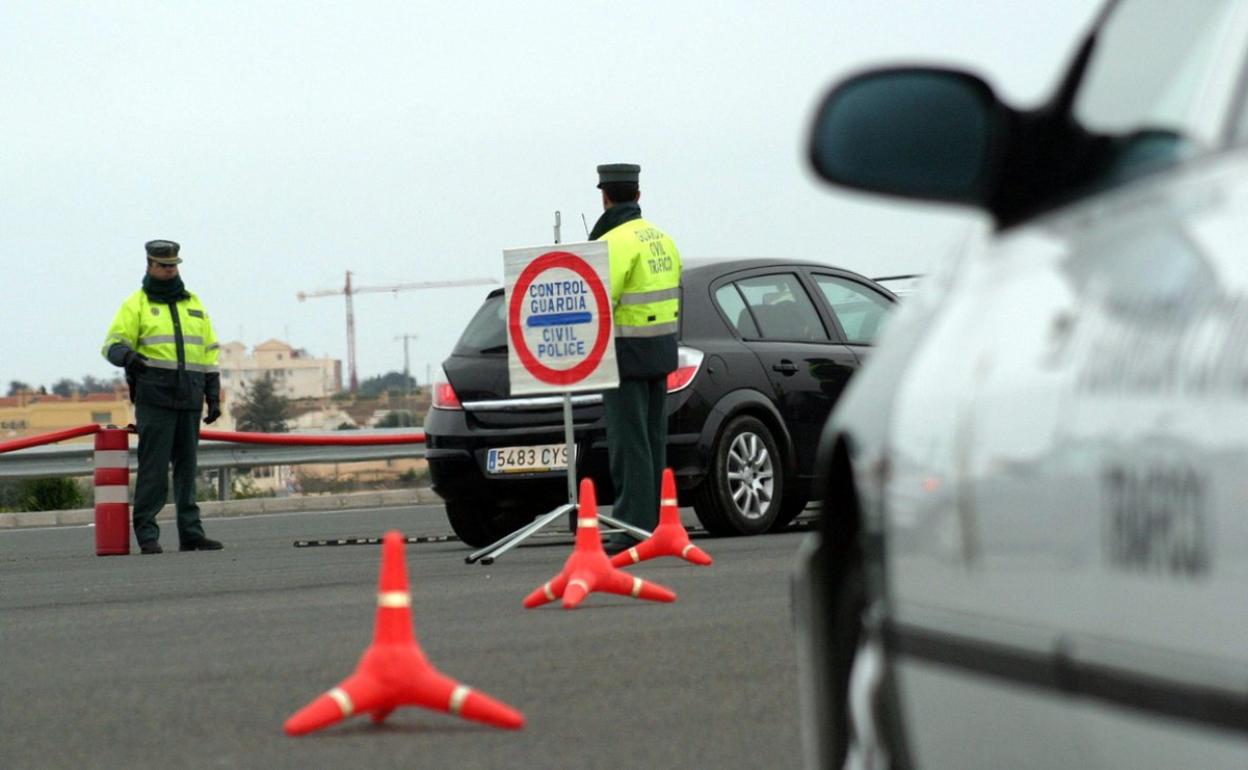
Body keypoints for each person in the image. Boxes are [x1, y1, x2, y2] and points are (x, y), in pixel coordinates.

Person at [102, 240, 224, 554]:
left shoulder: (193, 304)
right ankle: (147, 533)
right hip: (154, 398)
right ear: (150, 266)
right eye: (164, 265)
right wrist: (128, 357)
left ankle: (191, 533)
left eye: (173, 265)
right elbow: (111, 345)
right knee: (153, 470)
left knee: (187, 470)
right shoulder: (137, 304)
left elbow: (209, 354)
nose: (170, 270)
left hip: (189, 397)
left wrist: (213, 395)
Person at [588, 163, 682, 553]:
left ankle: (630, 527)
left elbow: (598, 301)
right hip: (660, 351)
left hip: (625, 353)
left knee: (629, 445)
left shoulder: (614, 243)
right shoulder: (661, 238)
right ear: (638, 195)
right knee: (653, 440)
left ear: (605, 197)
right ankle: (658, 522)